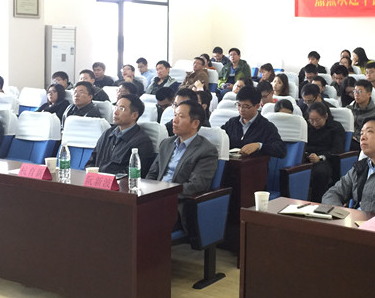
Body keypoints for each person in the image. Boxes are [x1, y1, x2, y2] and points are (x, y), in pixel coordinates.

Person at [147, 100, 219, 230]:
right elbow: (152, 174)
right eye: (175, 115)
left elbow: (196, 185)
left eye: (180, 116)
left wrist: (165, 194)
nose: (174, 120)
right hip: (154, 199)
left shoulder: (206, 150)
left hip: (177, 205)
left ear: (195, 123)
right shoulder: (166, 144)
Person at [85, 95, 153, 179]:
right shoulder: (108, 133)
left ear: (134, 115)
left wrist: (107, 180)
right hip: (97, 182)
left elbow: (133, 174)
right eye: (116, 107)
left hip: (118, 185)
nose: (115, 112)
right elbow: (91, 161)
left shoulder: (142, 141)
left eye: (121, 108)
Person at [221, 85, 286, 157]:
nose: (241, 109)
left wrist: (259, 146)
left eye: (246, 106)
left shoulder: (266, 127)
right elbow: (219, 137)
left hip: (254, 163)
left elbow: (281, 150)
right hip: (231, 162)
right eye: (239, 105)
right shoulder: (232, 123)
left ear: (257, 106)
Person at [304, 102, 345, 202]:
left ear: (325, 116)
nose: (314, 123)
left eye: (317, 120)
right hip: (307, 158)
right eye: (311, 120)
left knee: (320, 172)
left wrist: (320, 157)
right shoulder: (306, 126)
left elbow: (337, 149)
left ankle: (317, 202)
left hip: (327, 160)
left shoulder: (335, 127)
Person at [346, 79, 375, 151]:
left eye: (360, 92)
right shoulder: (348, 110)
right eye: (355, 91)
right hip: (349, 141)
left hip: (365, 144)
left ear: (369, 94)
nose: (356, 94)